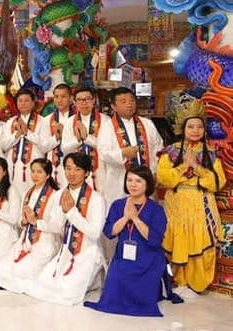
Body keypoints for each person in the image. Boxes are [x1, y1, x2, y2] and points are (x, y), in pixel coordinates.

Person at [157, 109, 226, 294]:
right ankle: (178, 281)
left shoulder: (211, 153)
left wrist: (197, 167)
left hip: (201, 201)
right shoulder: (170, 151)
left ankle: (198, 284)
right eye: (191, 126)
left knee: (202, 238)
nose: (195, 130)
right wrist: (183, 167)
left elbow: (217, 182)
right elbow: (164, 178)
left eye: (199, 127)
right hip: (177, 202)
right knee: (176, 238)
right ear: (183, 128)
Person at [85, 166, 168, 316]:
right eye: (129, 180)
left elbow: (155, 240)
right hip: (123, 257)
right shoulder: (118, 205)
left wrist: (135, 219)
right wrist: (125, 217)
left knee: (143, 298)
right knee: (112, 294)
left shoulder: (156, 209)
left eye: (138, 181)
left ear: (147, 184)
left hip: (148, 257)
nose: (133, 184)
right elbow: (109, 232)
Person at [27, 153, 107, 305]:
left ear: (87, 173)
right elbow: (57, 226)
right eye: (68, 168)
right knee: (39, 284)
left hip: (87, 253)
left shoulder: (96, 198)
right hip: (65, 253)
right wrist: (36, 222)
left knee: (67, 293)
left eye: (77, 169)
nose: (71, 173)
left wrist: (71, 212)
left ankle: (95, 279)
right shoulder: (59, 195)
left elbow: (95, 233)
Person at [0, 158, 61, 291]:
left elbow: (58, 226)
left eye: (39, 172)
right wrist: (24, 221)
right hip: (25, 241)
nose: (35, 175)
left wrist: (36, 222)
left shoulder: (55, 195)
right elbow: (20, 223)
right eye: (33, 171)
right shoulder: (27, 193)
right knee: (2, 267)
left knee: (23, 273)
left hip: (45, 242)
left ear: (48, 175)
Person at [96, 87, 163, 205]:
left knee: (146, 217)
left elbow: (159, 149)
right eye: (123, 101)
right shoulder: (108, 127)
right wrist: (122, 153)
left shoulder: (147, 123)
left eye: (132, 100)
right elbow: (103, 153)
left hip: (147, 180)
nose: (129, 104)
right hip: (119, 182)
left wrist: (156, 172)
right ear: (113, 106)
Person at [0, 88, 48, 196]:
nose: (23, 103)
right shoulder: (10, 122)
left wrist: (27, 133)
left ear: (33, 102)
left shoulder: (42, 121)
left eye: (26, 100)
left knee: (33, 198)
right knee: (13, 200)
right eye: (20, 100)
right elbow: (3, 146)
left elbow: (44, 146)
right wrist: (17, 135)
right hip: (13, 168)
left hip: (34, 169)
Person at [60, 87, 105, 192]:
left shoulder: (105, 120)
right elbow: (64, 148)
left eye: (87, 99)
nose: (84, 103)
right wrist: (79, 140)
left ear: (94, 100)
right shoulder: (70, 121)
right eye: (80, 100)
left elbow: (106, 147)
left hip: (100, 169)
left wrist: (87, 137)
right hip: (76, 170)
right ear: (74, 102)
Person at [42, 84, 74, 187]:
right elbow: (42, 147)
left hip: (74, 165)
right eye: (56, 97)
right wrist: (57, 137)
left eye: (63, 96)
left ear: (70, 98)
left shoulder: (77, 119)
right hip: (54, 166)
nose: (59, 100)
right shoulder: (47, 120)